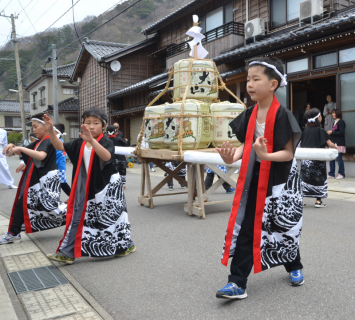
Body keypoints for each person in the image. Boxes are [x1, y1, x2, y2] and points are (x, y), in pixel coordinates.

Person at [216, 57, 303, 300]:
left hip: (281, 181)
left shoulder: (282, 114)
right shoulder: (250, 114)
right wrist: (229, 157)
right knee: (248, 228)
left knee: (282, 228)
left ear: (273, 84)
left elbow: (287, 153)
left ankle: (295, 266)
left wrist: (265, 155)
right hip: (254, 181)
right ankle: (237, 282)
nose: (250, 84)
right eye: (248, 79)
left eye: (256, 79)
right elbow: (244, 148)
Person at [44, 108, 135, 265]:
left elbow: (106, 156)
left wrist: (92, 141)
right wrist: (51, 130)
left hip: (108, 189)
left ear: (103, 125)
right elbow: (59, 146)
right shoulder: (79, 142)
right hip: (85, 189)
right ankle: (67, 252)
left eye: (96, 123)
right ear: (82, 124)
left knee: (114, 221)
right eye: (88, 123)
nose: (91, 126)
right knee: (78, 218)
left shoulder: (106, 141)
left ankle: (125, 246)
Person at [0, 113, 67, 244]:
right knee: (25, 203)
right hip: (38, 180)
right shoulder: (39, 141)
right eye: (33, 127)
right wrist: (14, 146)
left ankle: (79, 211)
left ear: (46, 127)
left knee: (48, 207)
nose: (34, 130)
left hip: (43, 181)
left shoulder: (48, 140)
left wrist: (18, 148)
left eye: (36, 126)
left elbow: (41, 156)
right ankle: (15, 231)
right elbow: (23, 151)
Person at [300, 108, 337, 208]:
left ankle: (300, 201)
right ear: (318, 118)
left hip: (306, 160)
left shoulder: (305, 130)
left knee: (304, 180)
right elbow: (330, 144)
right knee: (318, 179)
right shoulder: (320, 130)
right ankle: (318, 201)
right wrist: (336, 146)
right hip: (317, 160)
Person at [53, 123, 71, 197]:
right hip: (59, 166)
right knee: (58, 184)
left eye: (52, 131)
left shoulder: (58, 143)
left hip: (59, 167)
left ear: (57, 132)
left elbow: (56, 156)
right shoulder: (60, 141)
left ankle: (73, 198)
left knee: (62, 183)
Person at [327, 109, 346, 179]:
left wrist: (332, 132)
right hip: (333, 143)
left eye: (334, 113)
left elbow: (342, 133)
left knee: (339, 159)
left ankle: (342, 173)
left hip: (339, 143)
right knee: (331, 158)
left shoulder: (341, 122)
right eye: (332, 113)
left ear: (338, 113)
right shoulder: (334, 122)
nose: (333, 115)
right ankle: (331, 173)